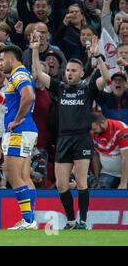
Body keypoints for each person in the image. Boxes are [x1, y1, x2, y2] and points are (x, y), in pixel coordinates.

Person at [32, 33, 110, 230]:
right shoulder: (61, 88)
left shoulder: (88, 88)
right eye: (67, 70)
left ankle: (83, 221)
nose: (69, 73)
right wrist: (34, 50)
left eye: (74, 71)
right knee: (61, 184)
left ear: (81, 73)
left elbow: (106, 79)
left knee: (81, 180)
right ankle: (70, 220)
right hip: (63, 139)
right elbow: (38, 75)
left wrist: (98, 57)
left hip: (82, 138)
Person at [0, 44, 38, 230]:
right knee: (24, 176)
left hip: (19, 131)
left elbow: (28, 96)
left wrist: (17, 119)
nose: (0, 63)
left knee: (13, 175)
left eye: (1, 59)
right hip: (27, 130)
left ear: (11, 58)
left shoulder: (19, 74)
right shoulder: (19, 75)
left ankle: (28, 220)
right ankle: (31, 219)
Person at [90, 112, 128, 189]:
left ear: (103, 122)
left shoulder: (122, 129)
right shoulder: (92, 132)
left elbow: (126, 158)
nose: (93, 132)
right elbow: (95, 155)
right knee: (98, 192)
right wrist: (97, 177)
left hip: (126, 174)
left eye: (94, 129)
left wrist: (123, 183)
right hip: (107, 173)